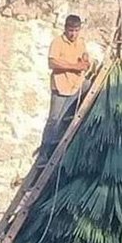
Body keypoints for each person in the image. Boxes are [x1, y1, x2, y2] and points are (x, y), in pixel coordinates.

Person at [36, 14, 92, 168]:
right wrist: (74, 66)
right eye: (70, 30)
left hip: (76, 85)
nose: (73, 34)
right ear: (65, 29)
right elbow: (52, 62)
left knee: (90, 85)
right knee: (54, 120)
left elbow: (85, 59)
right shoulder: (58, 42)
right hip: (61, 87)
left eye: (76, 30)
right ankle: (44, 155)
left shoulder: (80, 43)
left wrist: (86, 62)